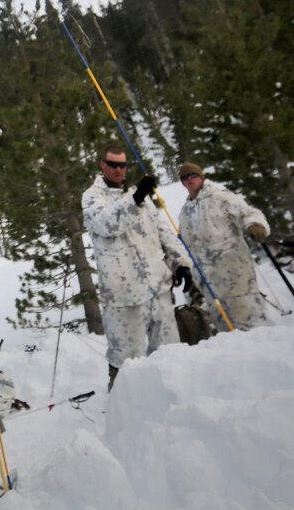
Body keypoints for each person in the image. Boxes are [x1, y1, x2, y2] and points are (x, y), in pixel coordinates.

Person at [82, 146, 189, 391]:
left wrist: (181, 263)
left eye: (122, 165)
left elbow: (161, 230)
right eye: (113, 164)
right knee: (126, 363)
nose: (118, 169)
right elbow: (107, 223)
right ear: (102, 164)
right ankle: (125, 418)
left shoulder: (137, 194)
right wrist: (136, 198)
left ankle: (174, 402)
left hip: (157, 289)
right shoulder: (92, 197)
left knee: (170, 354)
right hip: (124, 298)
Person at [177, 162, 270, 332]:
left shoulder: (220, 198)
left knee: (252, 325)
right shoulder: (184, 212)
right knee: (225, 330)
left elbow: (249, 213)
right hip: (209, 284)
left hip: (235, 276)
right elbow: (185, 245)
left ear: (201, 177)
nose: (190, 180)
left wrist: (256, 225)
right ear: (182, 182)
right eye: (185, 177)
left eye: (193, 175)